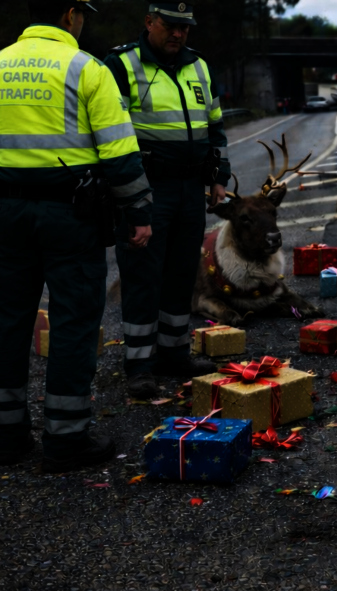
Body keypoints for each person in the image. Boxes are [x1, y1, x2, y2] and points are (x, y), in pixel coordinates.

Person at [0, 0, 153, 471]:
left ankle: (6, 435)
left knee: (6, 320)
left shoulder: (1, 62)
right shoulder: (87, 68)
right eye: (83, 13)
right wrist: (139, 211)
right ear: (69, 15)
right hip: (71, 214)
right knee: (72, 322)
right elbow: (119, 150)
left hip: (5, 212)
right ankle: (65, 439)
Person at [103, 2, 231, 398]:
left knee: (180, 273)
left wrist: (219, 177)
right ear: (149, 22)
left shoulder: (199, 66)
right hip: (147, 187)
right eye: (170, 26)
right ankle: (140, 364)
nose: (178, 34)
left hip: (190, 189)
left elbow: (215, 124)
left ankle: (174, 352)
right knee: (142, 276)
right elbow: (110, 132)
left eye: (185, 28)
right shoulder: (121, 65)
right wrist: (129, 193)